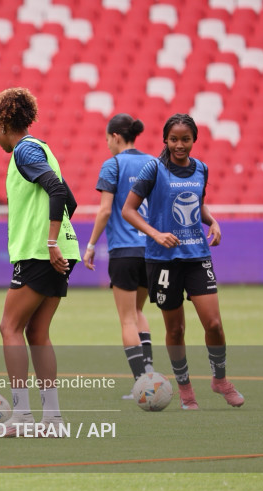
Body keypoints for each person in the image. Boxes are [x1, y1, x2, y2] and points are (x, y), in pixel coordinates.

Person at [122, 113, 244, 410]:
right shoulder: (154, 169)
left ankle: (220, 380)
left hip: (196, 256)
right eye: (174, 139)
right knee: (175, 330)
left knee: (213, 323)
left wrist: (212, 221)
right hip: (162, 261)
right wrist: (155, 233)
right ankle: (186, 389)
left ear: (194, 141)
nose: (179, 145)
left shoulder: (201, 168)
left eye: (185, 139)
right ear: (166, 139)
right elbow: (129, 210)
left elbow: (197, 203)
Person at [0, 87, 79, 437]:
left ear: (1, 123)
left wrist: (50, 241)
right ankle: (53, 420)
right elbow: (70, 199)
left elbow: (57, 192)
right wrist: (59, 241)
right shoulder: (43, 149)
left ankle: (23, 416)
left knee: (9, 327)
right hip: (58, 254)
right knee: (37, 331)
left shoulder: (23, 151)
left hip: (41, 253)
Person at [82, 114, 157, 398]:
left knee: (127, 319)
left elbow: (104, 211)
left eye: (107, 140)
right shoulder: (153, 163)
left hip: (124, 251)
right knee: (139, 312)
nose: (107, 146)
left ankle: (143, 385)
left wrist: (90, 245)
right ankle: (150, 374)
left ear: (115, 136)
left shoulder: (112, 164)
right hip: (151, 251)